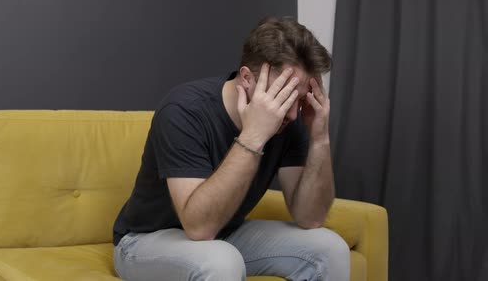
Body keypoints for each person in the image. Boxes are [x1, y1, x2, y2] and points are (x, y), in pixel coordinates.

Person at [112, 16, 350, 281]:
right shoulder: (184, 111)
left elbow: (311, 218)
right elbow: (199, 228)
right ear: (246, 79)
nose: (293, 113)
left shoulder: (291, 119)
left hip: (227, 233)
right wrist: (254, 135)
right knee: (221, 262)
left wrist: (319, 139)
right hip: (145, 242)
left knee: (331, 249)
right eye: (283, 96)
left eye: (301, 98)